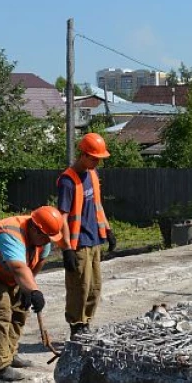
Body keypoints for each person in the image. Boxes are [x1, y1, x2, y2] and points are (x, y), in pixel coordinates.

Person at [0, 206, 63, 381]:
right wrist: (34, 291)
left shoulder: (43, 239)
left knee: (20, 309)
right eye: (46, 237)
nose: (49, 241)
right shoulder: (10, 235)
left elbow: (38, 261)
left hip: (10, 271)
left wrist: (29, 287)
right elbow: (18, 267)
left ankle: (9, 353)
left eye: (51, 238)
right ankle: (0, 366)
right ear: (35, 228)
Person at [57, 133, 116, 338]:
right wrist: (67, 249)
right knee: (79, 288)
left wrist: (107, 230)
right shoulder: (68, 181)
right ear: (83, 155)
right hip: (78, 243)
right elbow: (62, 218)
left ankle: (87, 323)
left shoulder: (92, 174)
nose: (97, 161)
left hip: (94, 239)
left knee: (95, 287)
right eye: (94, 157)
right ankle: (76, 325)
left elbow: (97, 205)